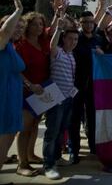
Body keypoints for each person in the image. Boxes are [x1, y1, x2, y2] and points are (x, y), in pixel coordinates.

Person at [15, 11, 52, 176]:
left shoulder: (43, 42)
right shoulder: (21, 45)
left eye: (41, 24)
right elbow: (16, 70)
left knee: (35, 124)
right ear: (28, 26)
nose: (39, 27)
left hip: (41, 90)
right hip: (25, 91)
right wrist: (29, 85)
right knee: (25, 128)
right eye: (35, 24)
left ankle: (30, 155)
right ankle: (22, 164)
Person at [42, 17, 79, 180]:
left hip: (68, 99)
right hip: (56, 100)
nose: (73, 42)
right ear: (63, 39)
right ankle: (48, 165)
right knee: (52, 132)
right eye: (70, 39)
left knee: (60, 131)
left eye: (76, 39)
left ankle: (56, 157)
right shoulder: (57, 52)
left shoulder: (71, 56)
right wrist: (58, 28)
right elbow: (51, 45)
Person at [70, 11, 103, 164]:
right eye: (85, 22)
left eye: (91, 22)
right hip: (76, 84)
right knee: (74, 118)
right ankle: (73, 151)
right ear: (80, 23)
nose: (89, 25)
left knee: (92, 118)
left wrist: (102, 54)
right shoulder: (75, 38)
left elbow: (107, 59)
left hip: (94, 85)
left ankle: (93, 149)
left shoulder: (99, 39)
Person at [0, 0, 25, 173]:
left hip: (13, 99)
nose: (19, 29)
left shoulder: (12, 48)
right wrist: (18, 11)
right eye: (16, 25)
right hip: (3, 98)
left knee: (6, 144)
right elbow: (4, 32)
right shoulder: (1, 43)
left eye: (21, 27)